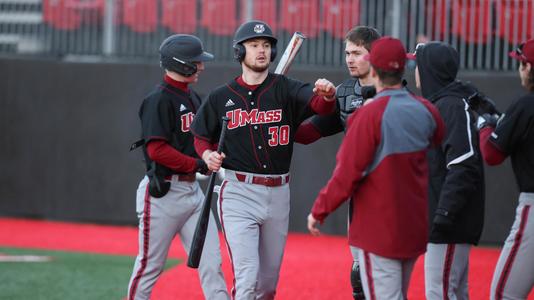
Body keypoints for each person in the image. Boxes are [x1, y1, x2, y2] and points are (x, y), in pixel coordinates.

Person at [190, 20, 336, 299]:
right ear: (239, 52)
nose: (261, 51)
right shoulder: (221, 97)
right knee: (248, 279)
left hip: (279, 192)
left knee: (267, 286)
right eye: (254, 45)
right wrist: (207, 155)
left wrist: (327, 95)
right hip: (238, 192)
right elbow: (199, 134)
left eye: (266, 46)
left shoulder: (286, 88)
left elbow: (319, 105)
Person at [307, 37, 445, 299]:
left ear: (373, 68)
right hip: (414, 225)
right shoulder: (426, 109)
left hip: (377, 228)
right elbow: (438, 141)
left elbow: (347, 172)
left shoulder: (368, 114)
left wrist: (320, 210)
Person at [127, 34, 229, 300]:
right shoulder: (158, 99)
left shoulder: (195, 98)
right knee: (150, 266)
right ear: (182, 63)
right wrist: (199, 162)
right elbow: (156, 150)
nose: (202, 66)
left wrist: (211, 153)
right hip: (163, 194)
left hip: (193, 193)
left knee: (211, 265)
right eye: (197, 61)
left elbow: (204, 138)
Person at [295, 25, 381, 300]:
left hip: (392, 193)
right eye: (347, 53)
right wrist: (277, 120)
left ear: (374, 55)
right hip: (359, 193)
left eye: (357, 52)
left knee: (384, 273)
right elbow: (309, 134)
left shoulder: (394, 91)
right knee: (360, 274)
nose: (349, 58)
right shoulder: (344, 94)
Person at [413, 41, 486, 299]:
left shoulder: (451, 106)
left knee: (440, 292)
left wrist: (443, 214)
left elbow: (463, 165)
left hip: (449, 223)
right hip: (447, 220)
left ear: (429, 70)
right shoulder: (444, 103)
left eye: (418, 64)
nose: (415, 71)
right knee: (453, 292)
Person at [476, 38, 534, 300]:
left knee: (503, 294)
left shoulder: (525, 105)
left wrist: (485, 127)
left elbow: (491, 154)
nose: (520, 69)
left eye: (523, 64)